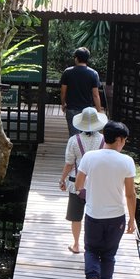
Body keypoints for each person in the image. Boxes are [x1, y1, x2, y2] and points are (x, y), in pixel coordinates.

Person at [74, 121, 137, 279]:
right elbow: (130, 194)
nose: (124, 143)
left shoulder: (89, 157)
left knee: (91, 250)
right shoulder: (127, 161)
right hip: (116, 216)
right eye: (124, 140)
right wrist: (131, 219)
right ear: (119, 140)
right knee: (109, 254)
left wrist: (89, 192)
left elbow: (78, 185)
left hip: (94, 214)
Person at [58, 107, 107, 254]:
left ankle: (76, 244)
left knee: (76, 217)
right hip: (96, 184)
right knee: (96, 216)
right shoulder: (104, 140)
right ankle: (94, 246)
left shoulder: (74, 140)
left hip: (76, 184)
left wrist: (62, 180)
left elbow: (69, 163)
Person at [59, 47, 103, 136]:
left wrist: (63, 104)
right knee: (87, 135)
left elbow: (63, 92)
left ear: (76, 58)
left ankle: (74, 149)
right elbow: (95, 95)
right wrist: (99, 111)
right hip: (87, 110)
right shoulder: (93, 73)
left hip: (71, 108)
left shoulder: (67, 72)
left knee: (73, 136)